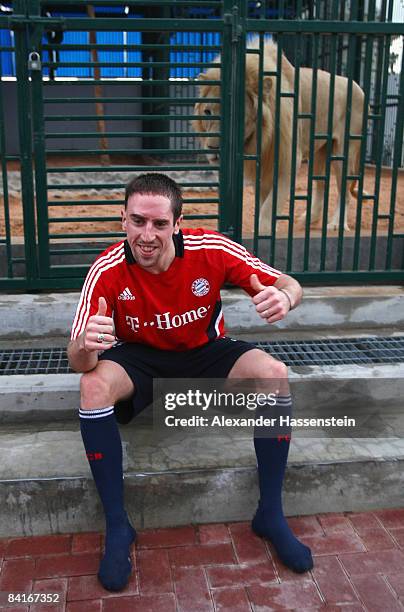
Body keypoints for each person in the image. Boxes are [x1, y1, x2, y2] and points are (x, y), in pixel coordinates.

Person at [67, 172, 313, 592]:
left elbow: (288, 282)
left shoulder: (210, 249)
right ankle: (118, 527)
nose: (148, 235)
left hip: (204, 350)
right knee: (91, 385)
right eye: (138, 221)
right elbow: (76, 358)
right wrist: (88, 345)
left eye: (160, 224)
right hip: (140, 355)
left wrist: (285, 296)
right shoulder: (105, 269)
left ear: (177, 224)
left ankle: (270, 513)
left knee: (274, 372)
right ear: (122, 219)